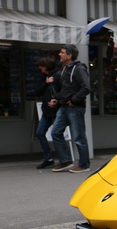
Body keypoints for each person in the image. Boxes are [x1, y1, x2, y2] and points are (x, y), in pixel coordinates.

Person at [49, 44, 91, 173]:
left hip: (75, 107)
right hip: (64, 107)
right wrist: (57, 99)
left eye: (62, 52)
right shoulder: (65, 69)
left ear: (69, 55)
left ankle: (84, 164)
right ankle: (65, 161)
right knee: (55, 132)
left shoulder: (78, 69)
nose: (59, 54)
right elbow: (66, 90)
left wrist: (74, 100)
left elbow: (86, 88)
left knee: (79, 136)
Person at [34, 54, 61, 169]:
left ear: (46, 66)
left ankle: (63, 159)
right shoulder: (42, 77)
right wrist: (46, 82)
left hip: (55, 110)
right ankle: (48, 158)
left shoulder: (58, 75)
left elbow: (63, 91)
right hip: (46, 111)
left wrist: (58, 101)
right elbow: (37, 92)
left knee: (56, 135)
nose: (40, 67)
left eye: (41, 65)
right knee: (40, 133)